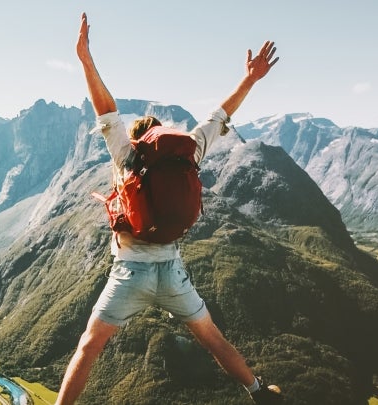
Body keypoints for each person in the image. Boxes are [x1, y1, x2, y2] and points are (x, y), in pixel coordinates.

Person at [56, 12, 281, 405]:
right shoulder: (188, 152)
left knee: (88, 347)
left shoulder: (127, 158)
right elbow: (220, 116)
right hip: (172, 272)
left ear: (139, 139)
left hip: (130, 274)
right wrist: (250, 78)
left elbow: (105, 110)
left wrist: (86, 60)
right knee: (213, 339)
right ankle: (260, 392)